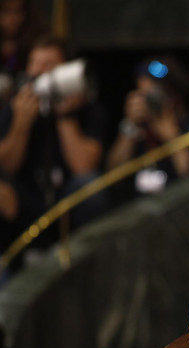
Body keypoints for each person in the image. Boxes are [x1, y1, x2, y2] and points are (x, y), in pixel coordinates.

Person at [0, 35, 109, 242]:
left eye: (48, 65)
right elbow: (6, 168)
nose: (39, 72)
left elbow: (84, 168)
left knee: (90, 186)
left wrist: (64, 116)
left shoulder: (88, 109)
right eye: (34, 64)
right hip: (27, 203)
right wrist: (21, 124)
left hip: (66, 205)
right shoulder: (13, 109)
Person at [106, 56, 189, 203]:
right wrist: (129, 125)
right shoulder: (138, 129)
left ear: (174, 95)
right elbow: (113, 176)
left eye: (155, 97)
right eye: (144, 97)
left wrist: (171, 136)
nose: (150, 104)